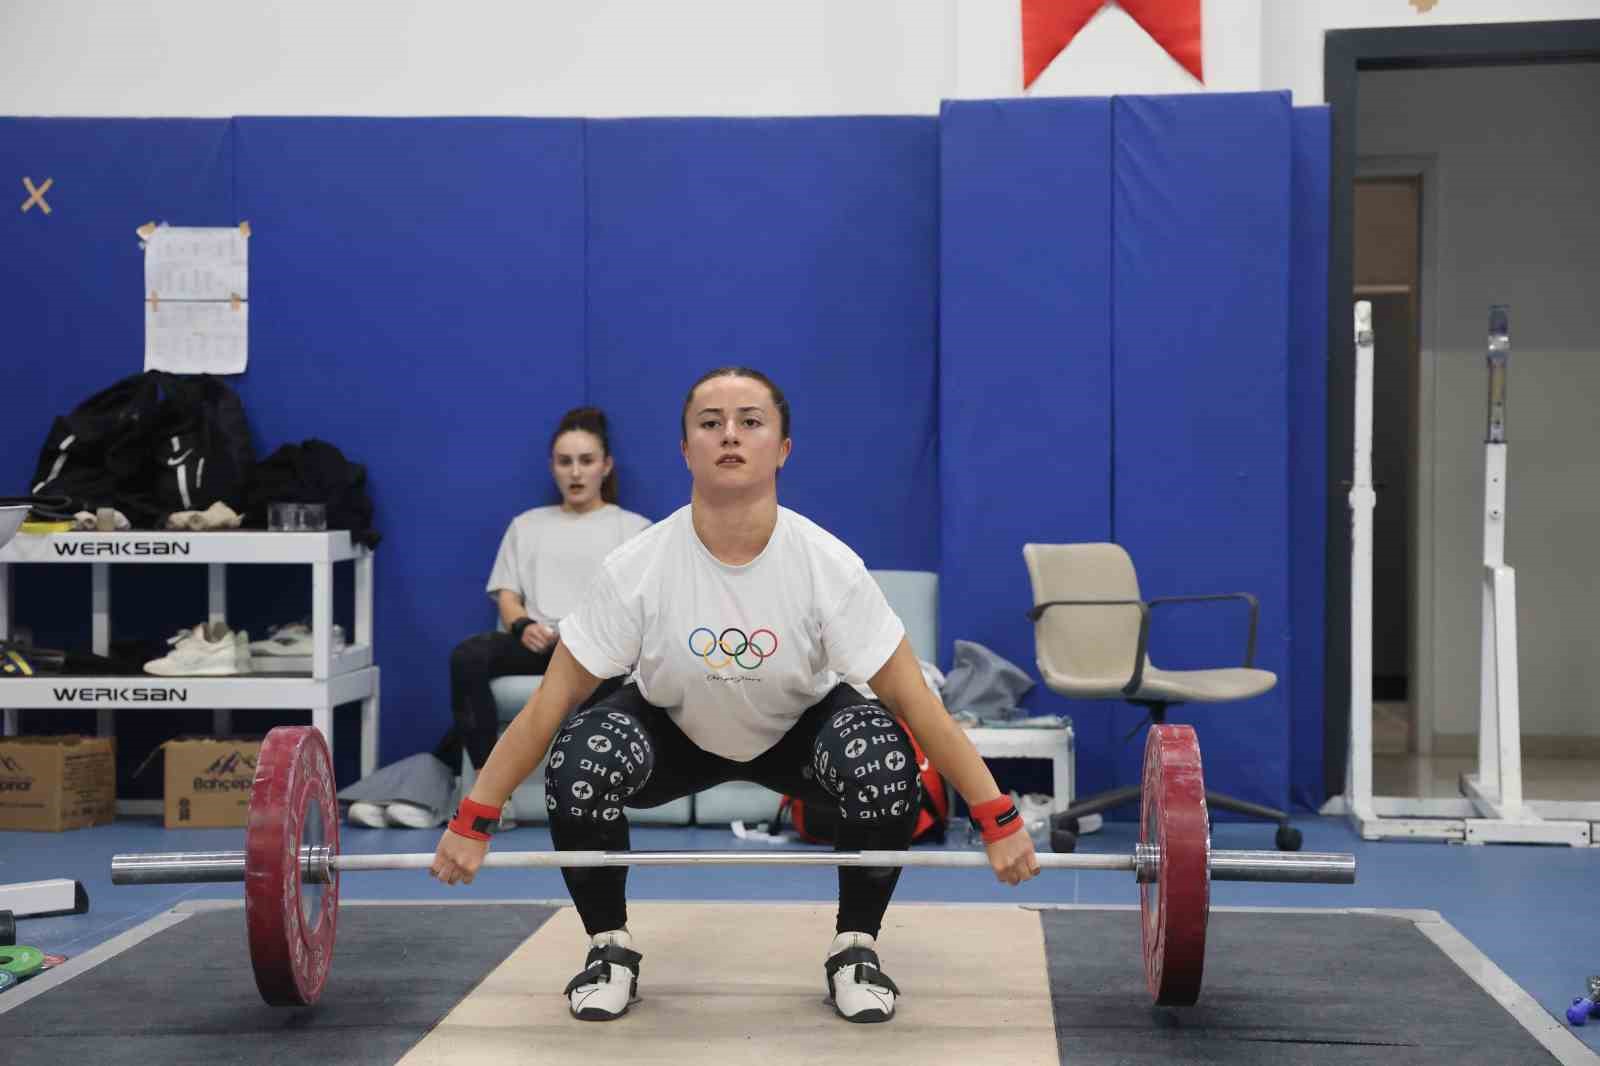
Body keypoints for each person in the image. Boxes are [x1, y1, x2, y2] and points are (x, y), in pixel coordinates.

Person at [430, 369, 1039, 1023]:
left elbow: (918, 704)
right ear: (685, 449)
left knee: (884, 756)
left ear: (782, 448)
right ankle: (608, 949)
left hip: (798, 738)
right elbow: (548, 706)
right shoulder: (639, 565)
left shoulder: (826, 564)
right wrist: (474, 819)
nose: (729, 435)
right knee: (579, 756)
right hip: (674, 734)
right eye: (710, 422)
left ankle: (855, 948)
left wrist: (996, 817)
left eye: (750, 421)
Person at [354, 407, 650, 830]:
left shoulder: (634, 529)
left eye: (586, 461)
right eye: (565, 462)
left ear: (606, 466)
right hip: (539, 640)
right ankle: (495, 797)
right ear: (553, 468)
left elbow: (637, 605)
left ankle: (591, 797)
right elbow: (507, 595)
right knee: (469, 655)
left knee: (619, 672)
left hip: (596, 648)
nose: (576, 472)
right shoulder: (527, 526)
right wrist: (522, 626)